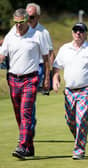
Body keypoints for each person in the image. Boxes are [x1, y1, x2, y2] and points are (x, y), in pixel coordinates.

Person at [52, 22, 88, 160]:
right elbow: (56, 68)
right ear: (72, 32)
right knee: (70, 120)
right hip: (69, 91)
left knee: (81, 117)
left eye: (81, 31)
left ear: (86, 33)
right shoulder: (64, 49)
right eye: (75, 30)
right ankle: (80, 137)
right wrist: (55, 79)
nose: (78, 33)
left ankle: (79, 150)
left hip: (87, 89)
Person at [0, 8, 50, 159]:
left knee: (26, 112)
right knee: (18, 115)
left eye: (21, 22)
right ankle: (29, 147)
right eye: (15, 23)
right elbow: (2, 55)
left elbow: (46, 58)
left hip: (30, 79)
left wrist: (47, 77)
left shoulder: (38, 35)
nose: (18, 26)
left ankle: (22, 146)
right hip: (13, 79)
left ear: (27, 20)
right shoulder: (10, 35)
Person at [25, 2, 55, 137]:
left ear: (38, 17)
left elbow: (50, 53)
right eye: (26, 16)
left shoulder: (43, 32)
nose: (28, 20)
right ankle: (29, 123)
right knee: (24, 101)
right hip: (23, 69)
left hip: (40, 68)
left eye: (31, 17)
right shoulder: (20, 29)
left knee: (30, 99)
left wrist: (52, 74)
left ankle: (29, 128)